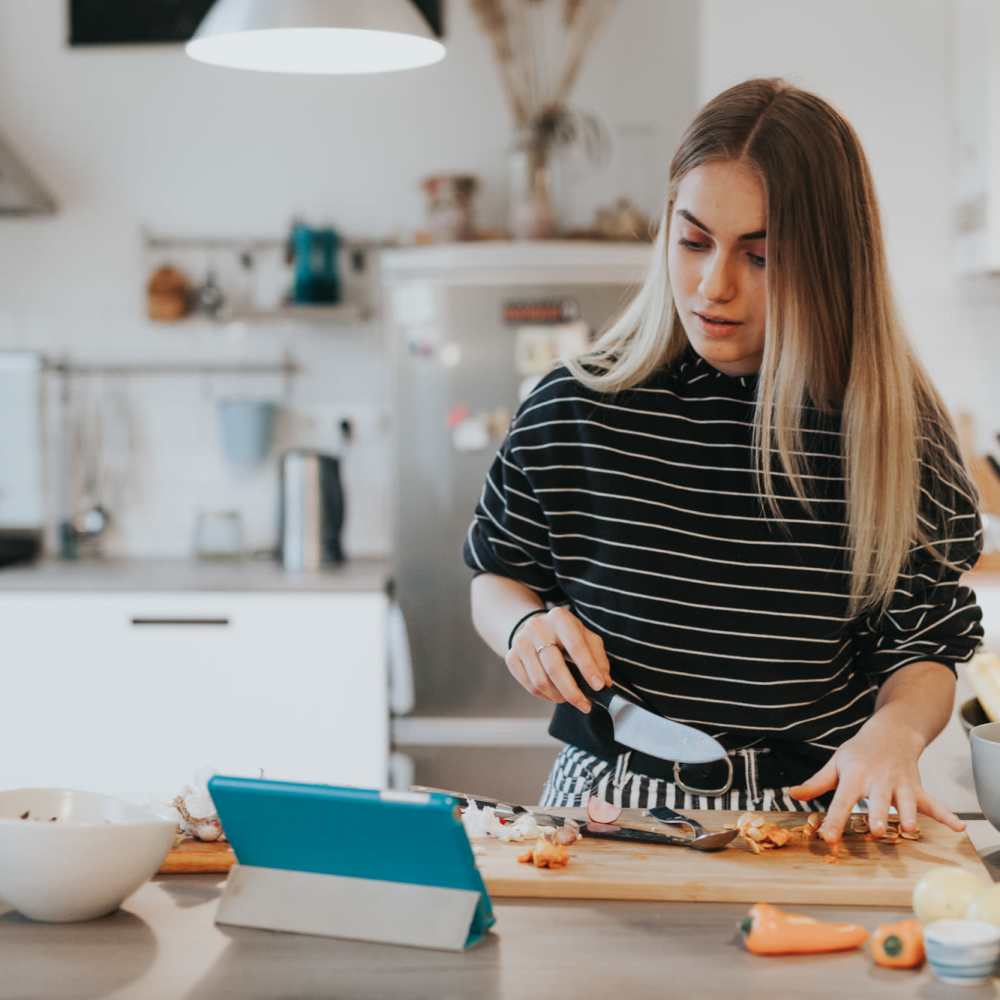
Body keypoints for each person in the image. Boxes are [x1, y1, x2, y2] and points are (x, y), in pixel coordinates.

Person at [463, 78, 985, 845]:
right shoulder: (577, 406)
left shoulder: (894, 435)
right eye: (694, 240)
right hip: (608, 801)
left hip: (816, 811)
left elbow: (925, 647)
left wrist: (896, 735)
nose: (714, 287)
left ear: (832, 263)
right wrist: (523, 628)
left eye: (762, 255)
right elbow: (498, 574)